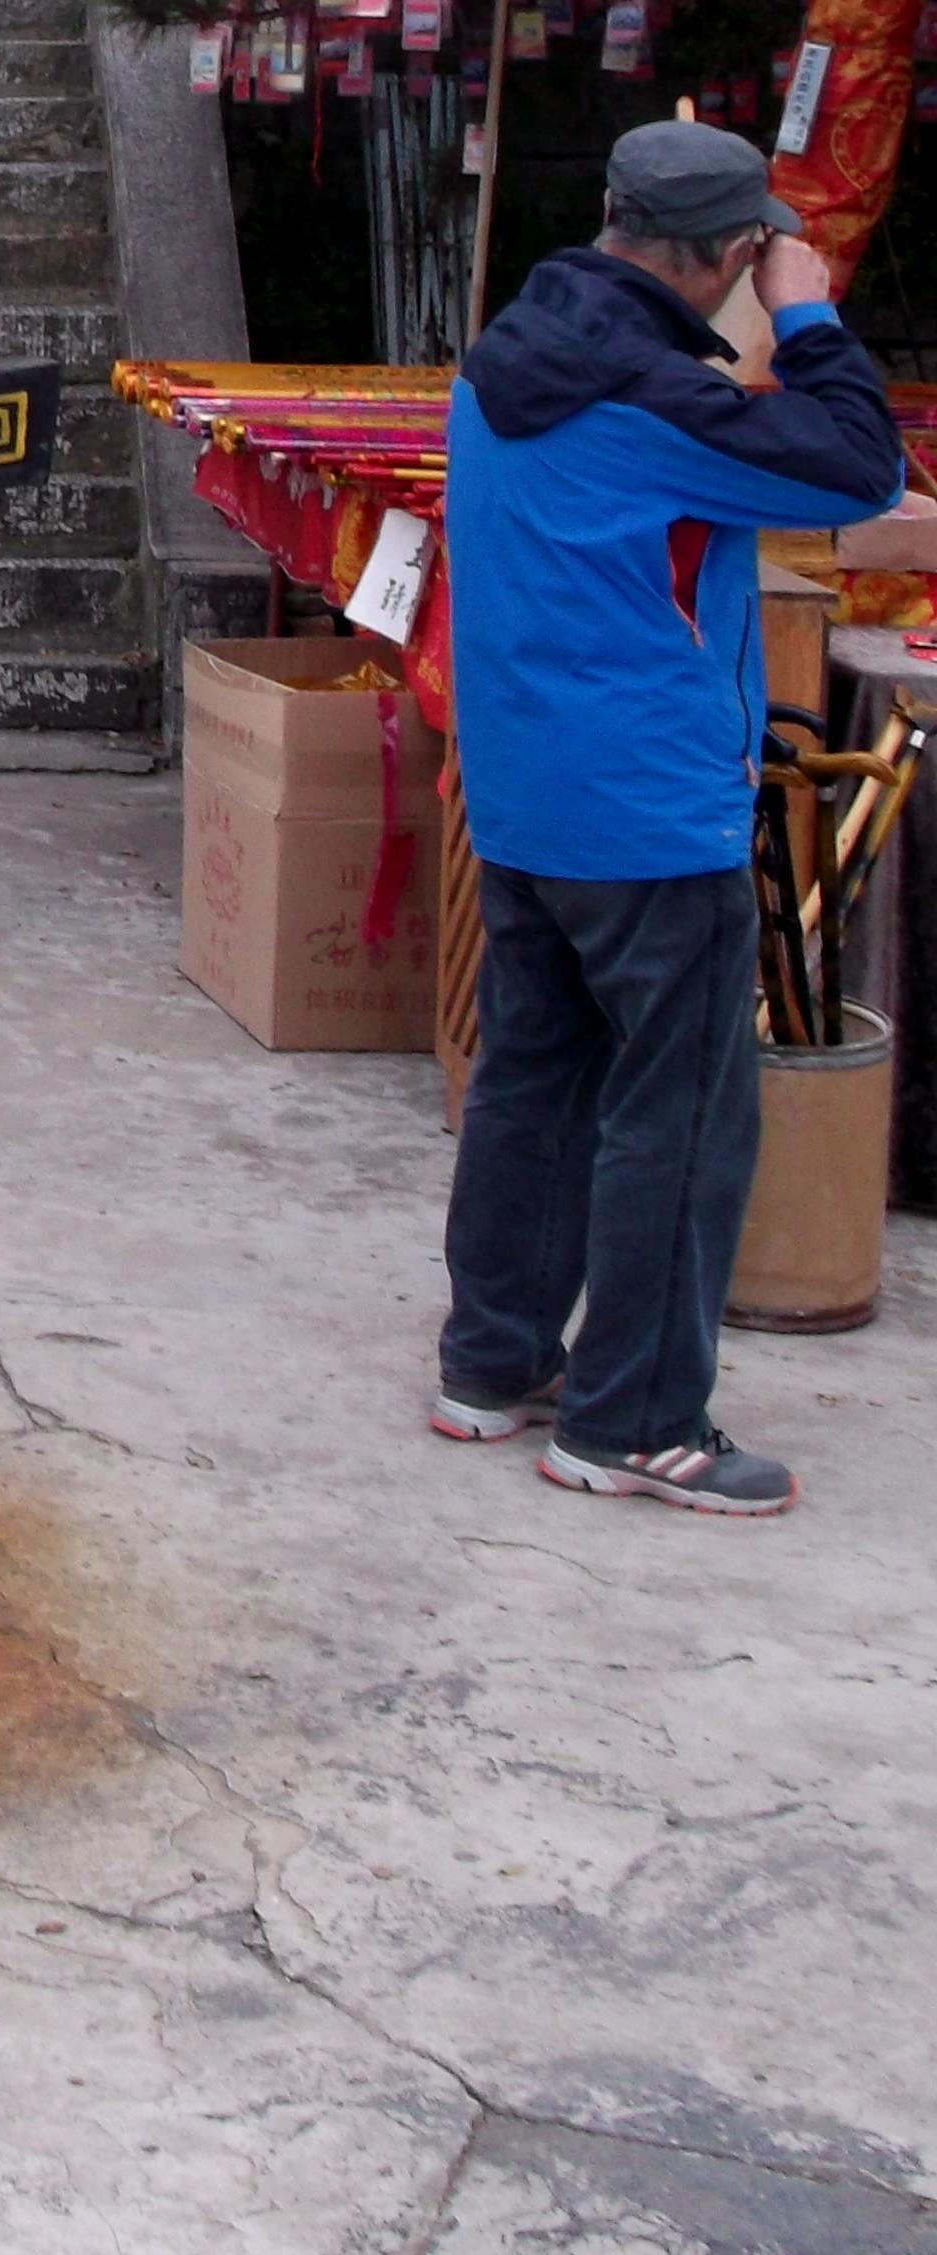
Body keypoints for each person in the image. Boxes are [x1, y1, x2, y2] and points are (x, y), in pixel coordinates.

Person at [436, 117, 907, 1515]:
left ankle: (493, 1360)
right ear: (717, 258)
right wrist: (809, 315)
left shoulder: (504, 359)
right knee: (682, 1111)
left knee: (537, 1077)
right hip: (647, 809)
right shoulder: (655, 408)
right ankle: (633, 1416)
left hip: (524, 793)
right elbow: (862, 469)